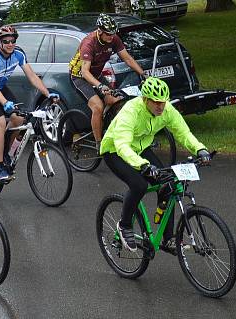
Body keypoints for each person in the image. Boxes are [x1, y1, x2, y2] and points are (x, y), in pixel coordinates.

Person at [100, 77, 210, 253]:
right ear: (145, 100)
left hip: (140, 148)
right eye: (156, 102)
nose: (161, 106)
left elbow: (183, 133)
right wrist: (143, 165)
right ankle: (125, 225)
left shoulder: (166, 110)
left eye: (163, 102)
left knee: (168, 184)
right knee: (139, 184)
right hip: (115, 150)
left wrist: (200, 149)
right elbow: (122, 145)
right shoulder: (131, 110)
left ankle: (168, 239)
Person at [0, 25, 60, 182]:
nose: (10, 44)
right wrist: (5, 103)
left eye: (13, 40)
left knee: (18, 119)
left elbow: (32, 76)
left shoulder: (18, 53)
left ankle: (5, 151)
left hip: (1, 86)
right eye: (6, 41)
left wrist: (47, 93)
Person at [69, 13, 145, 148]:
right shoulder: (89, 43)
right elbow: (85, 72)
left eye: (113, 34)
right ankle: (99, 144)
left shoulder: (113, 39)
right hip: (80, 77)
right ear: (100, 31)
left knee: (115, 101)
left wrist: (143, 74)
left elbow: (127, 58)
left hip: (96, 75)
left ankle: (110, 127)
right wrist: (99, 86)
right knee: (97, 106)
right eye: (108, 34)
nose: (111, 37)